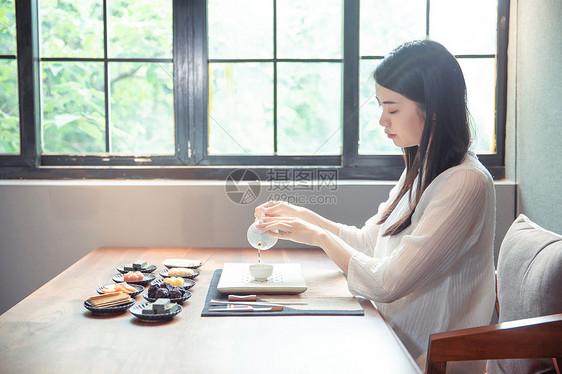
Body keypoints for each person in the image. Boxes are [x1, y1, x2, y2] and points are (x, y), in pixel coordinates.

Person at [255, 39, 496, 373]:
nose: (383, 120)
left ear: (435, 108)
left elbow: (387, 284)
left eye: (393, 109)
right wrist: (301, 217)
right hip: (388, 337)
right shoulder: (425, 166)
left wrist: (318, 237)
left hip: (424, 358)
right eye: (381, 107)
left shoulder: (466, 182)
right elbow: (371, 242)